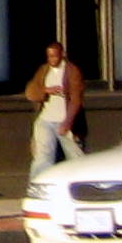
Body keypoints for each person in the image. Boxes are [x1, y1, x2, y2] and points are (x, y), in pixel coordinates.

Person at [25, 40, 86, 175]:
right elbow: (30, 92)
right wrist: (45, 90)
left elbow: (76, 100)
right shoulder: (43, 70)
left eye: (54, 56)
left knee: (75, 157)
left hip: (64, 121)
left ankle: (84, 185)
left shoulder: (72, 71)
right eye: (49, 56)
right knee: (43, 158)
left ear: (62, 54)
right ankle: (38, 186)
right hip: (45, 120)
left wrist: (67, 122)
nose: (51, 59)